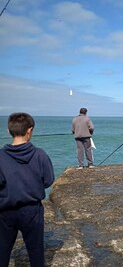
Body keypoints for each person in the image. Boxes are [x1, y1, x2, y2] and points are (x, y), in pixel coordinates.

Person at [0, 112, 55, 267]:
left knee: (3, 250)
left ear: (8, 130)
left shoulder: (1, 156)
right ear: (30, 130)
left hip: (5, 210)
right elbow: (48, 180)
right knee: (36, 250)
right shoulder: (40, 154)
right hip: (32, 210)